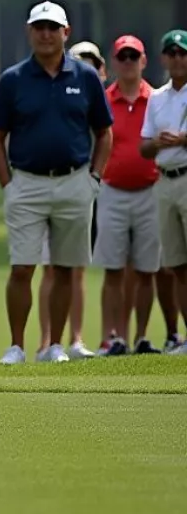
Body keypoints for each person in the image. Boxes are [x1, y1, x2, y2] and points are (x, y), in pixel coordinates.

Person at [0, 1, 113, 365]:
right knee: (22, 267)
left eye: (52, 28)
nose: (45, 34)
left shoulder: (86, 77)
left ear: (65, 33)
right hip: (26, 183)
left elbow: (104, 133)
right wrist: (7, 184)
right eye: (39, 27)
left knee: (62, 267)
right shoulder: (13, 79)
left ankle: (55, 345)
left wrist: (94, 178)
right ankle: (16, 346)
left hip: (75, 182)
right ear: (30, 31)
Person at [91, 36, 161, 354]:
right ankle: (112, 337)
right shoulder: (103, 99)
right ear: (115, 62)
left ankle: (141, 336)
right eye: (123, 56)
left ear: (144, 61)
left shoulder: (157, 100)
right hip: (113, 191)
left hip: (150, 190)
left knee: (146, 269)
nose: (129, 62)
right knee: (113, 269)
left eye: (134, 56)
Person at [139, 28, 187, 354]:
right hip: (164, 181)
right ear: (163, 59)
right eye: (171, 53)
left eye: (183, 52)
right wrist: (158, 143)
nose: (178, 58)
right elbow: (144, 147)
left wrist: (183, 140)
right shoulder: (156, 97)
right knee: (176, 265)